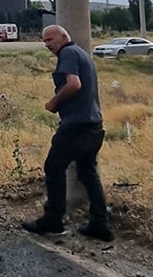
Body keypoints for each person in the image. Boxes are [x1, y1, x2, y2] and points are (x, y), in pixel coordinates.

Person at [21, 25, 113, 241]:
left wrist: (53, 103)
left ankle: (53, 220)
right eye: (44, 41)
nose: (47, 44)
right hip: (94, 125)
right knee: (88, 173)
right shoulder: (81, 53)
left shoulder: (69, 53)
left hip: (76, 126)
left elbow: (73, 84)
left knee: (53, 168)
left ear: (64, 36)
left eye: (50, 40)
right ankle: (100, 224)